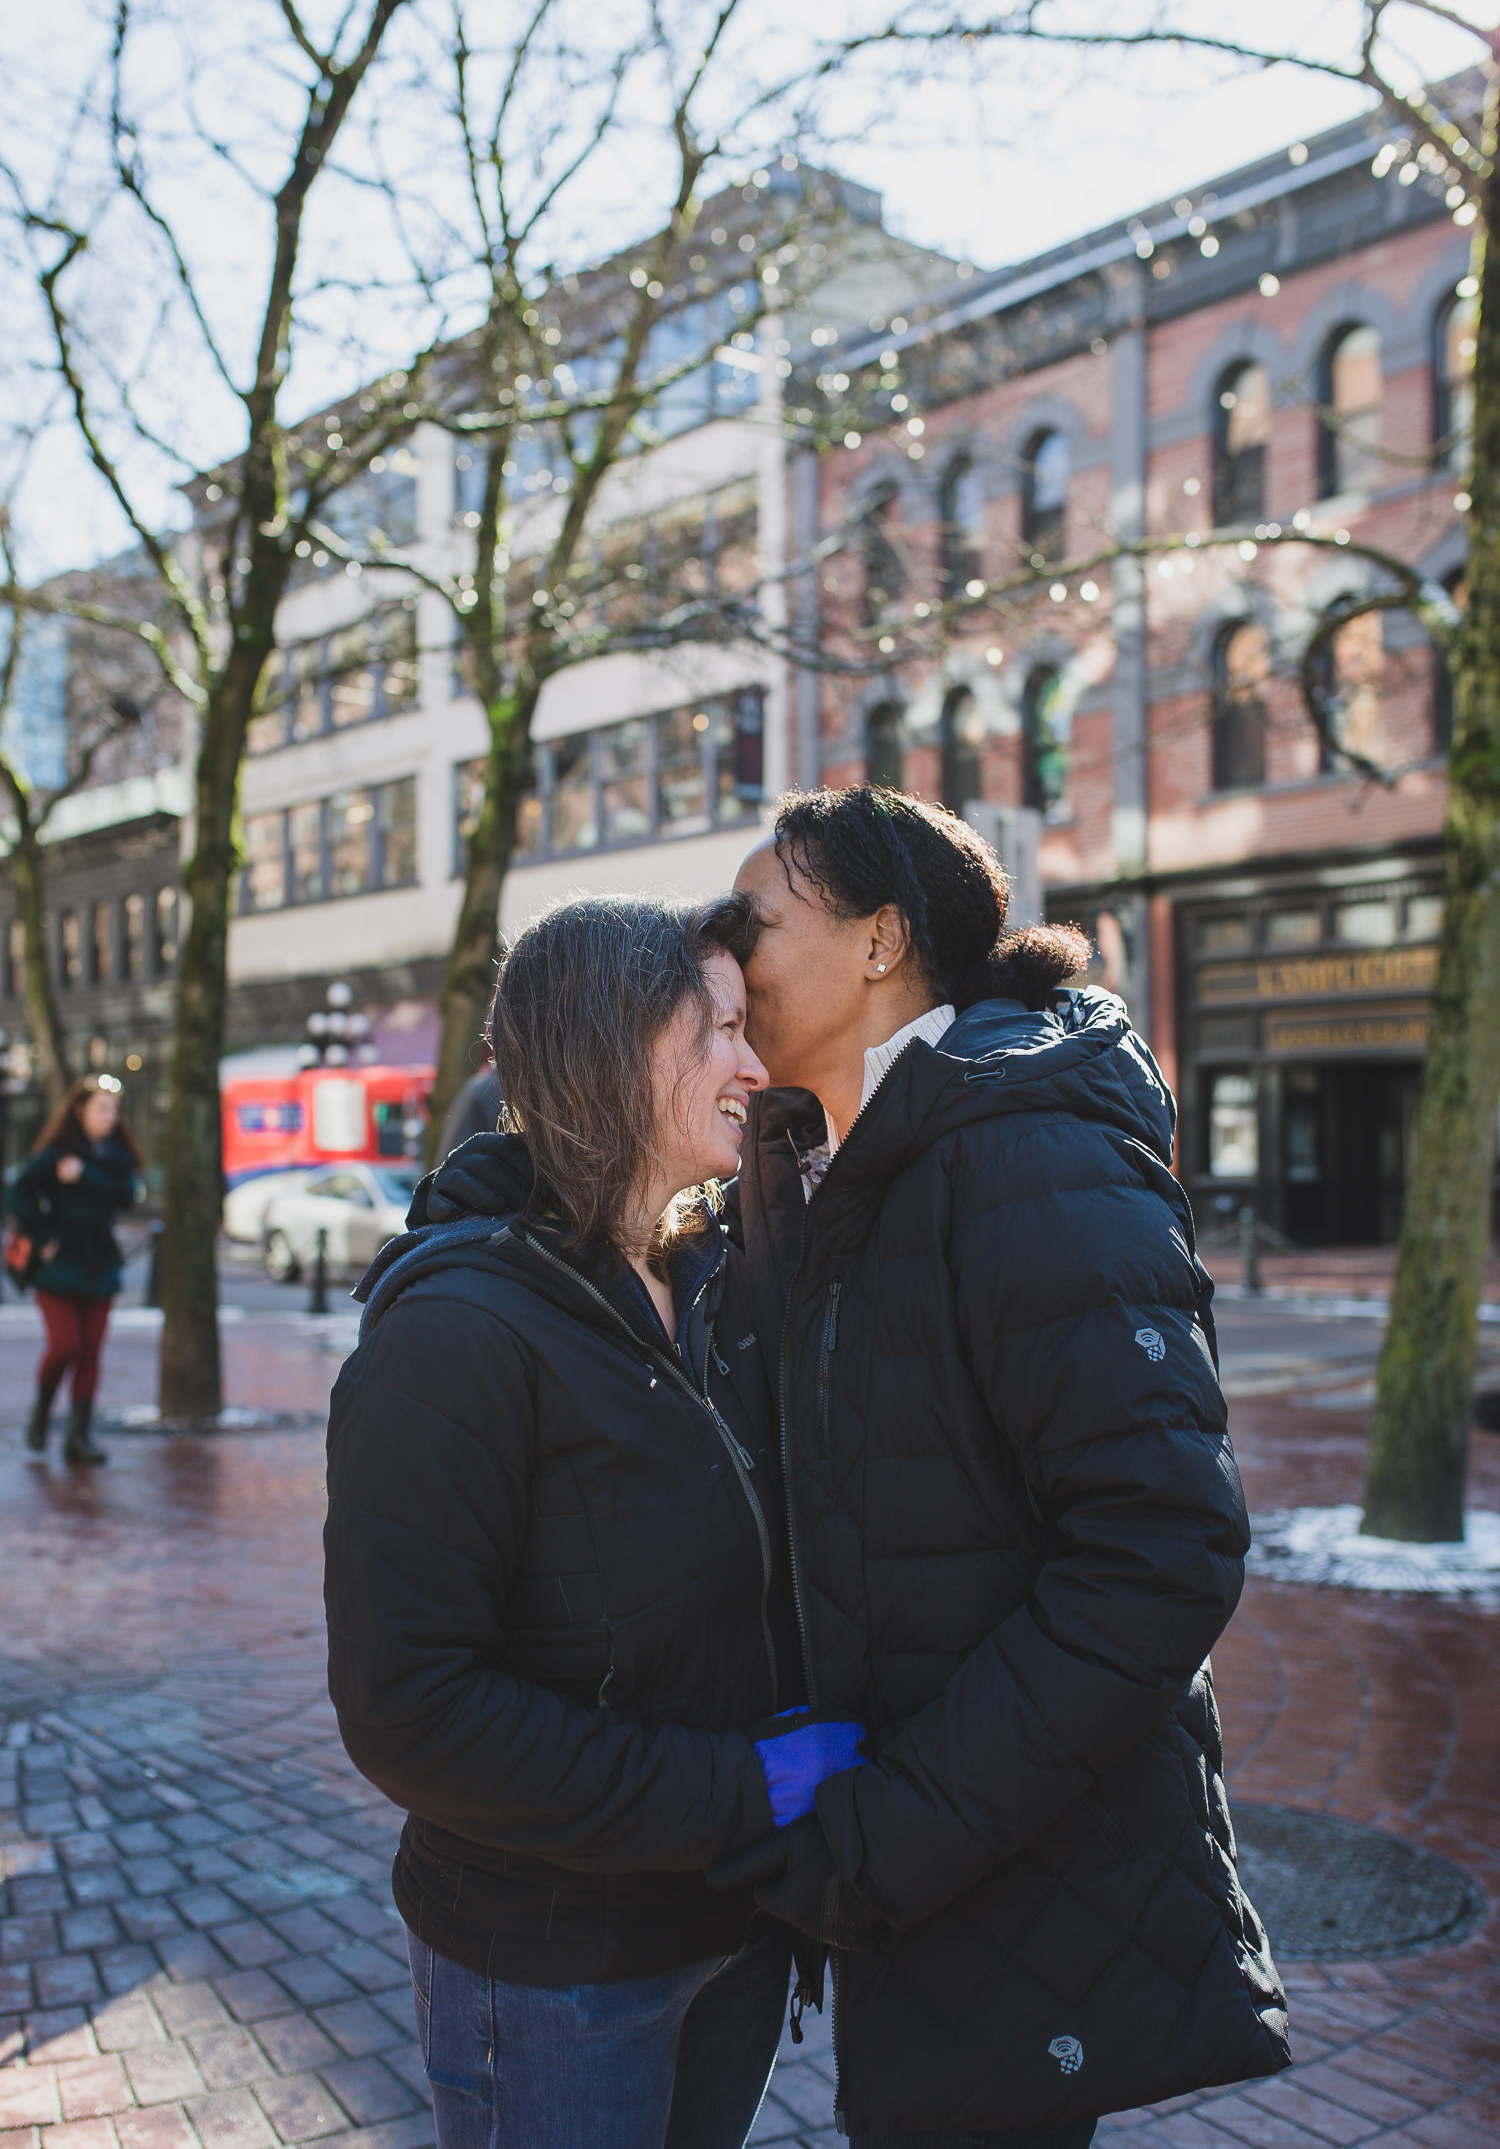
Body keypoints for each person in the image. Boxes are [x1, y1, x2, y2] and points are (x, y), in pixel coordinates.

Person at [702, 787, 1291, 2148]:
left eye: (754, 919)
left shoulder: (1025, 1146)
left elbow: (1161, 1550)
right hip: (918, 1864)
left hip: (999, 1866)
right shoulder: (816, 1164)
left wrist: (886, 1835)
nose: (723, 956)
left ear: (879, 939)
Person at [323, 896, 864, 2149]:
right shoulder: (454, 1333)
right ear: (614, 1047)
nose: (753, 1063)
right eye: (719, 1031)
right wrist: (740, 1790)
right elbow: (412, 1710)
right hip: (559, 1968)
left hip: (734, 1924)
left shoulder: (712, 1279)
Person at [11, 1074, 140, 1465]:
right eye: (102, 1108)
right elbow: (16, 1193)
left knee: (91, 1352)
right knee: (66, 1345)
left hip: (100, 1263)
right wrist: (43, 1234)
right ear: (80, 1110)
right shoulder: (57, 1153)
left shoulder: (116, 1155)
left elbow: (127, 1195)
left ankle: (78, 1436)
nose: (110, 1117)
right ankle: (42, 1411)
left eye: (114, 1110)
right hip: (59, 1265)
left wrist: (85, 1175)